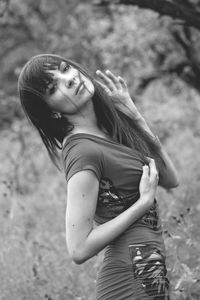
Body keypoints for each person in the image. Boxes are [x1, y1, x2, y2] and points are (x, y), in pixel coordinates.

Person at [18, 54, 179, 300]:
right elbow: (78, 248)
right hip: (130, 277)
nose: (69, 79)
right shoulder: (82, 151)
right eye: (53, 88)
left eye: (65, 69)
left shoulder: (108, 130)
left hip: (148, 270)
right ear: (52, 113)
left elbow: (170, 178)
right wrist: (142, 204)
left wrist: (135, 116)